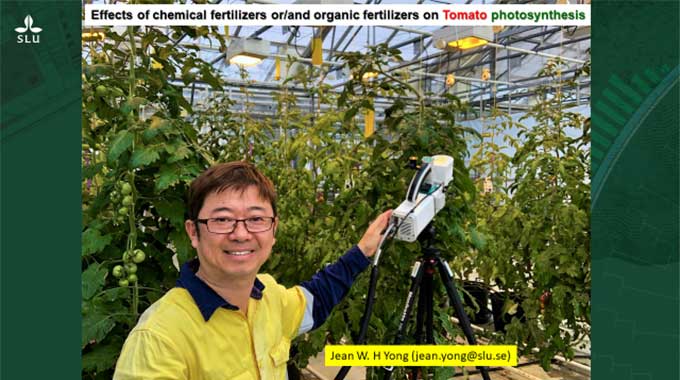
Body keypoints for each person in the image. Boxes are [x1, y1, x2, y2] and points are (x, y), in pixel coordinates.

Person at [113, 161, 392, 380]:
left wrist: (363, 250)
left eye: (256, 218)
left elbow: (315, 300)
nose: (241, 233)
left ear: (273, 230)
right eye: (222, 219)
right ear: (193, 232)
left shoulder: (269, 296)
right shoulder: (160, 338)